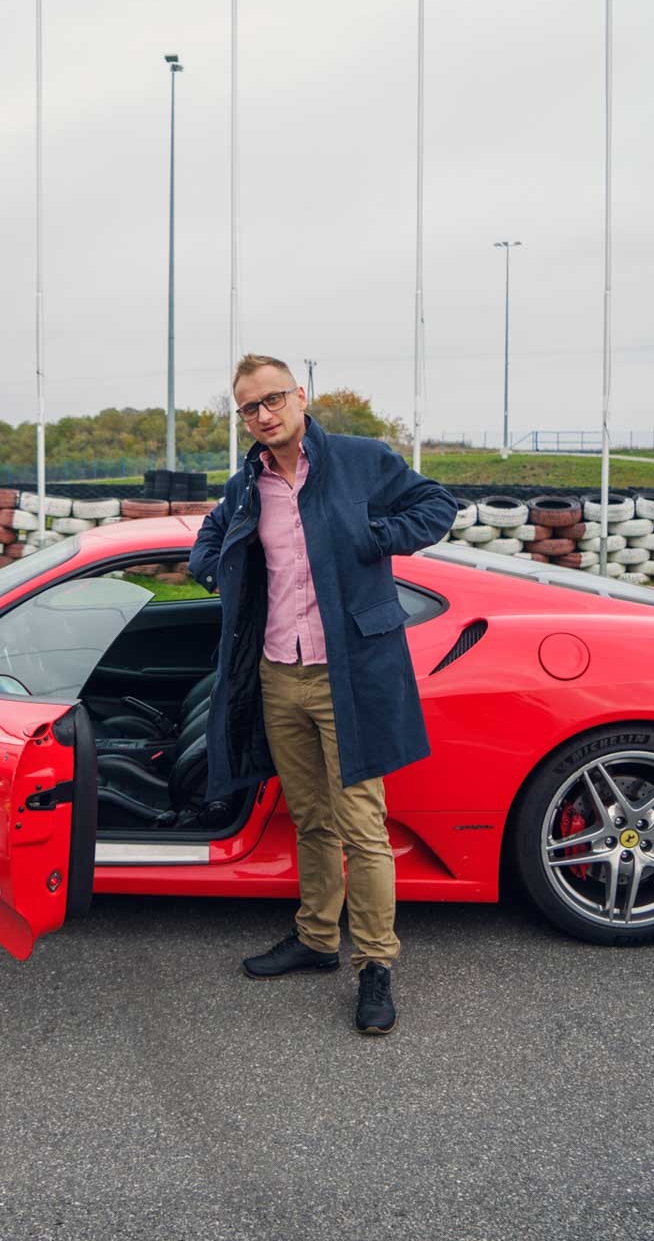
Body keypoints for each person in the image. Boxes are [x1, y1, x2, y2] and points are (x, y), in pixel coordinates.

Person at [189, 355, 457, 1035]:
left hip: (351, 670)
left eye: (273, 399)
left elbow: (437, 505)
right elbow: (214, 531)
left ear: (301, 396)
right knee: (310, 817)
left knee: (363, 825)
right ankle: (315, 938)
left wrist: (378, 536)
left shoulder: (363, 461)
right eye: (250, 408)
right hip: (280, 672)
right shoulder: (247, 483)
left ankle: (376, 964)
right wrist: (211, 566)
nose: (264, 414)